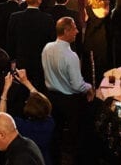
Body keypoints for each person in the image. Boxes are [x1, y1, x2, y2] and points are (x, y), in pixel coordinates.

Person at [42, 18, 94, 164]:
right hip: (69, 101)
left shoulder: (47, 48)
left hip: (51, 98)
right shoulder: (71, 56)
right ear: (66, 31)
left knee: (56, 132)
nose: (77, 31)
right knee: (75, 134)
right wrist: (89, 87)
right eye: (74, 28)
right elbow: (77, 86)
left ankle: (55, 158)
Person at [6, 0, 55, 91]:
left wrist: (13, 60)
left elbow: (10, 41)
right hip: (40, 64)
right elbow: (51, 43)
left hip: (21, 62)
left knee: (21, 91)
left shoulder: (15, 17)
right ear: (39, 0)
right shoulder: (47, 19)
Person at [2, 72, 54, 165]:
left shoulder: (22, 126)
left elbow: (2, 116)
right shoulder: (49, 123)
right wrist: (26, 82)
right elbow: (42, 102)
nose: (26, 101)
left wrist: (5, 90)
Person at [81, 0, 111, 86]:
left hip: (90, 42)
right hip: (103, 41)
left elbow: (86, 21)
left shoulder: (88, 9)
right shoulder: (107, 9)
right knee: (101, 68)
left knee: (90, 70)